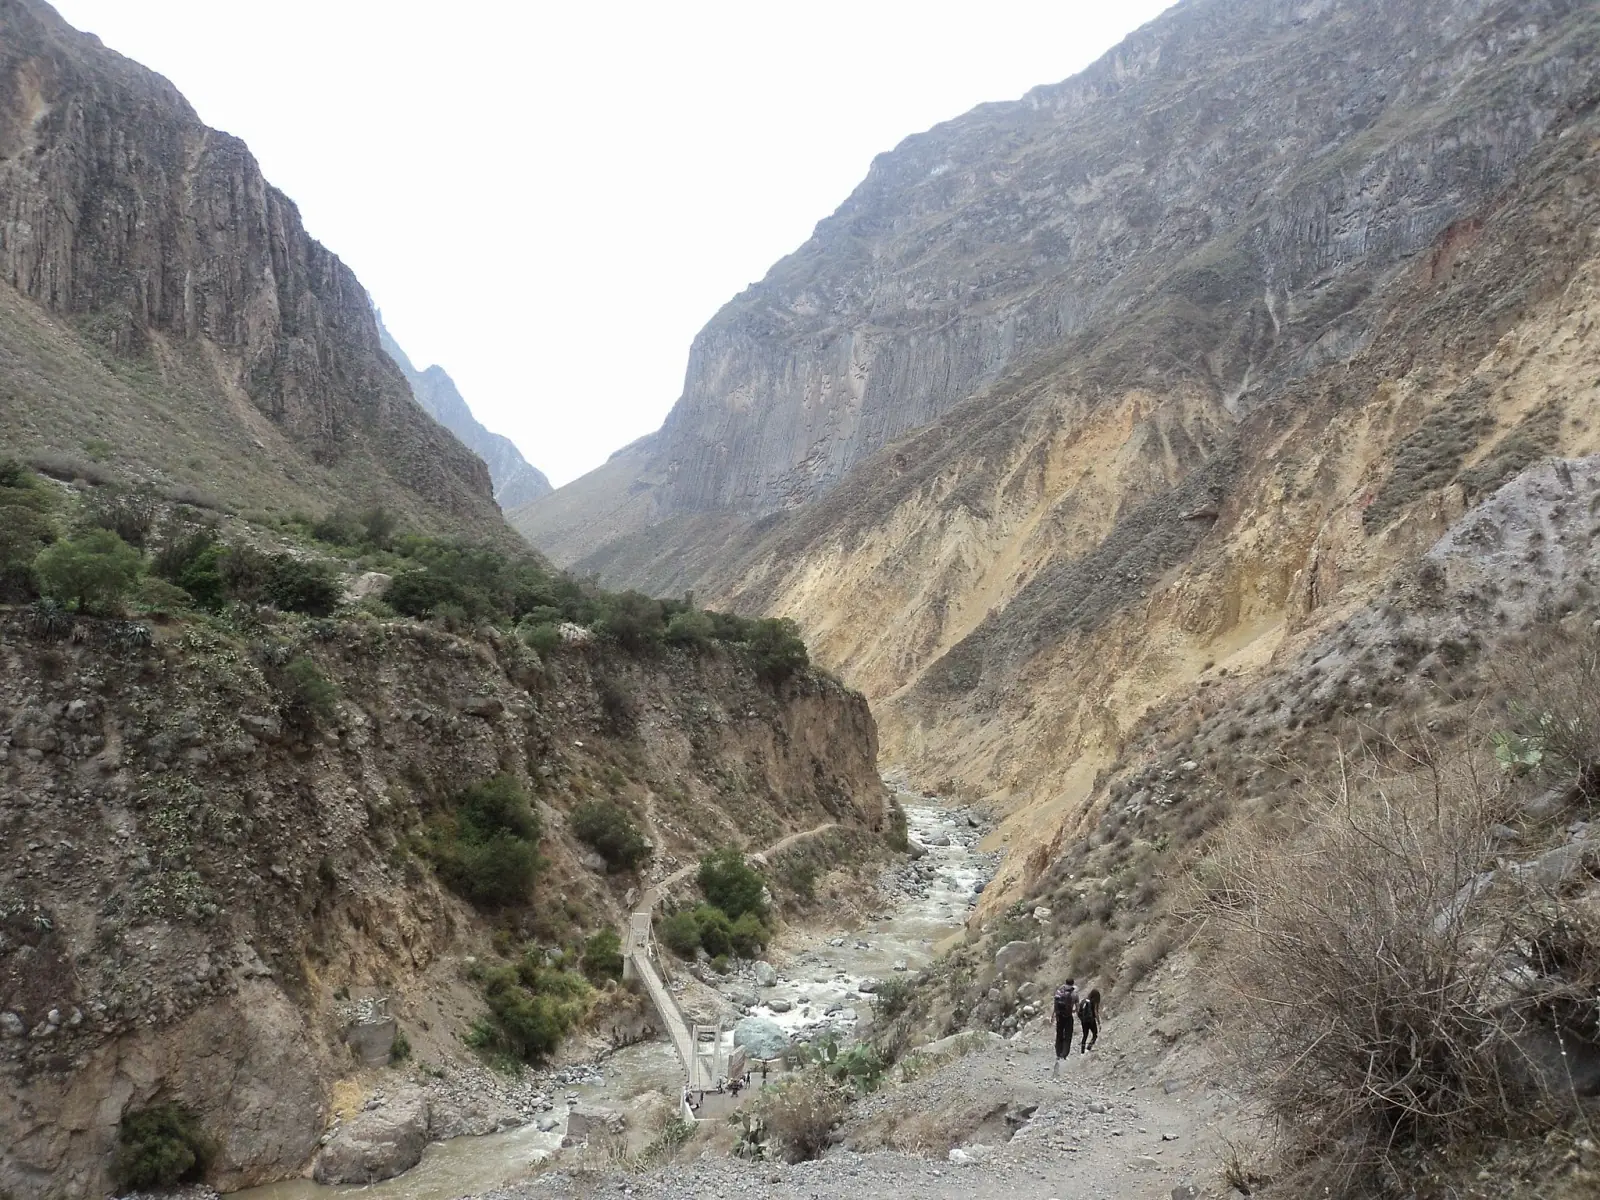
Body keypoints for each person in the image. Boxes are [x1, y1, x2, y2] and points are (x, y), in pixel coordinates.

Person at [1052, 978, 1079, 1074]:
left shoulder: (1059, 991)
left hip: (1059, 1016)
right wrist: (1075, 1011)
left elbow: (1055, 1004)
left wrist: (1054, 1015)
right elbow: (1077, 1007)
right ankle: (1064, 1054)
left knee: (1059, 1034)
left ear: (1065, 982)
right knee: (1068, 1035)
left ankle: (1058, 1053)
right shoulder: (1074, 993)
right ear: (1073, 983)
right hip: (1068, 1017)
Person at [1078, 988, 1101, 1052]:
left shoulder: (1084, 1000)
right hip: (1091, 1021)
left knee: (1085, 1035)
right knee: (1095, 1034)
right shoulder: (1093, 1002)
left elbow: (1079, 1011)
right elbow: (1095, 1012)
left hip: (1084, 1021)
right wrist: (1099, 1023)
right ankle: (1089, 1047)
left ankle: (1082, 1051)